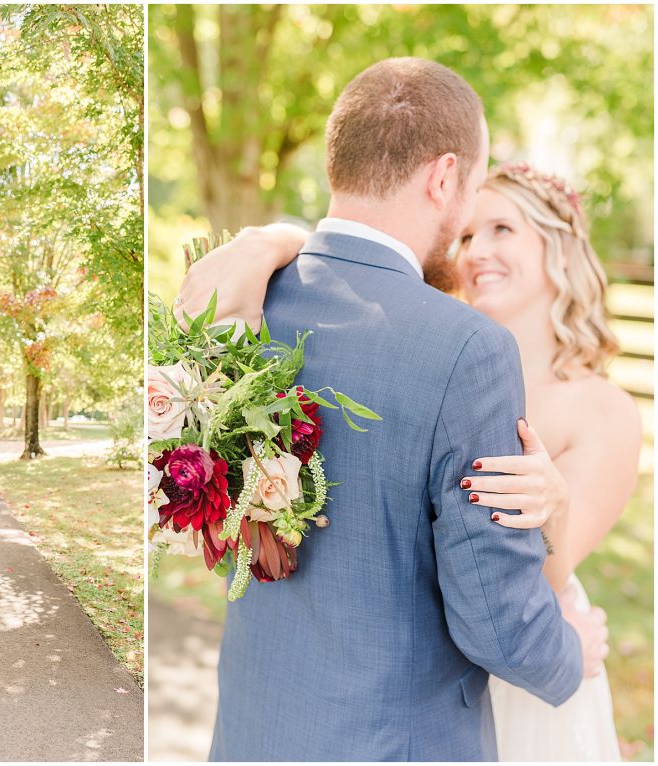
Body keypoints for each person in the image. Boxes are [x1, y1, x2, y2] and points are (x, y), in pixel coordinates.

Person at [171, 58, 611, 761]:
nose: (466, 224)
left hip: (256, 725)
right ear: (443, 178)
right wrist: (569, 653)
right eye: (471, 190)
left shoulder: (236, 302)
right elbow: (494, 622)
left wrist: (271, 238)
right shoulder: (467, 348)